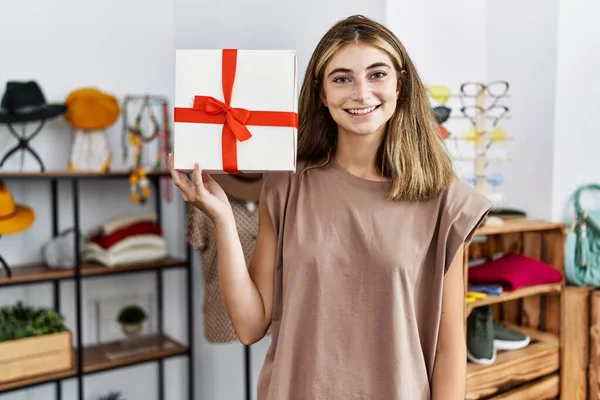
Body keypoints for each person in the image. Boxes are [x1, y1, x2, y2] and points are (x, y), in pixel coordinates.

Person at [169, 14, 492, 400]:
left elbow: (449, 349)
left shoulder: (445, 201)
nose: (360, 93)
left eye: (377, 74)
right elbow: (250, 325)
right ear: (322, 93)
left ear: (400, 84)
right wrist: (222, 218)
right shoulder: (287, 185)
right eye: (342, 78)